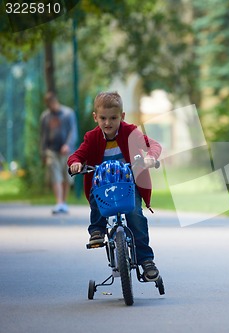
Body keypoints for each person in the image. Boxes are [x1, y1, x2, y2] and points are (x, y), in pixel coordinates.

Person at [68, 91, 162, 281]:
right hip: (103, 185)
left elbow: (153, 145)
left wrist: (150, 157)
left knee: (135, 216)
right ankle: (97, 229)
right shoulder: (92, 137)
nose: (108, 123)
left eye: (113, 118)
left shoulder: (130, 132)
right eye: (103, 118)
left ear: (122, 117)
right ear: (96, 117)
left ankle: (146, 260)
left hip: (128, 184)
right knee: (96, 195)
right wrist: (75, 164)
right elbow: (77, 155)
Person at [40, 91, 78, 214]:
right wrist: (43, 153)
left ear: (55, 101)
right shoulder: (45, 117)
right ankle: (59, 202)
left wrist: (67, 145)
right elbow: (43, 136)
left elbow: (73, 132)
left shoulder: (68, 113)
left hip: (67, 151)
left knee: (67, 177)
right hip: (52, 151)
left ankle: (64, 202)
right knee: (55, 176)